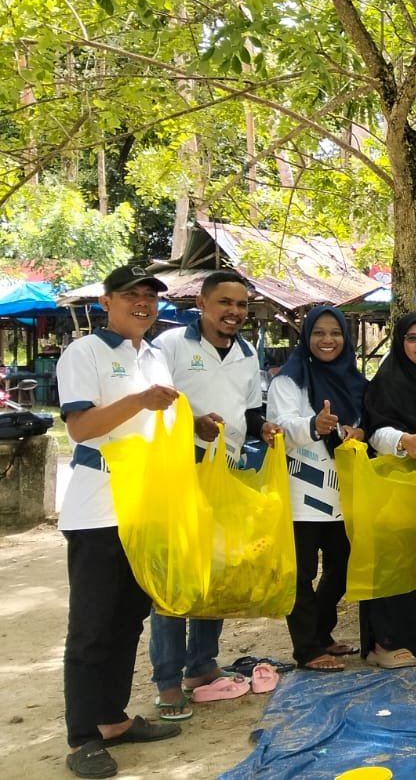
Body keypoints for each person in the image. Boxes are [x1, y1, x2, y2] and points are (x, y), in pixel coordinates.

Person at [58, 265, 183, 778]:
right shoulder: (84, 352)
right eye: (131, 295)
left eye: (150, 296)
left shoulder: (154, 356)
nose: (143, 303)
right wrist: (138, 400)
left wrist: (194, 423)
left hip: (144, 508)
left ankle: (112, 719)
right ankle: (83, 737)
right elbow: (81, 427)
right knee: (92, 627)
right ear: (106, 301)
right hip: (97, 510)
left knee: (128, 620)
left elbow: (157, 425)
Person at [151, 270, 281, 719]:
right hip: (178, 471)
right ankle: (168, 681)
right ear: (202, 305)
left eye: (241, 305)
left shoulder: (247, 353)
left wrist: (263, 428)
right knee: (175, 577)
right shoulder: (170, 346)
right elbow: (153, 404)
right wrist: (193, 424)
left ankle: (202, 666)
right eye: (225, 302)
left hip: (225, 473)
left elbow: (248, 411)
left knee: (214, 571)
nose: (234, 312)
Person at [267, 306, 365, 673]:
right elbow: (280, 426)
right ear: (306, 337)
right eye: (319, 333)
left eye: (335, 333)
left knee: (343, 567)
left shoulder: (354, 380)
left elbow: (365, 419)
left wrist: (360, 431)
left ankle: (322, 632)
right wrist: (314, 424)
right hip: (302, 493)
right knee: (302, 574)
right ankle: (307, 649)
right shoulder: (289, 381)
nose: (328, 340)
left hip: (345, 493)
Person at [359, 313, 416, 669]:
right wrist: (402, 442)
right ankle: (383, 642)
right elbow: (374, 429)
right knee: (392, 561)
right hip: (392, 485)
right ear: (400, 343)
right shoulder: (387, 382)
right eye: (412, 338)